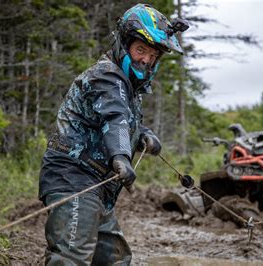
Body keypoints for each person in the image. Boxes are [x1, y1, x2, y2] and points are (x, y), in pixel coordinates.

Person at [38, 4, 188, 265]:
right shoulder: (106, 75)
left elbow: (120, 121)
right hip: (73, 178)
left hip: (96, 186)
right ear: (124, 44)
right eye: (141, 50)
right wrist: (121, 156)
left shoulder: (126, 86)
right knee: (71, 258)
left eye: (153, 55)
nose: (146, 60)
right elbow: (114, 119)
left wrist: (143, 135)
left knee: (114, 259)